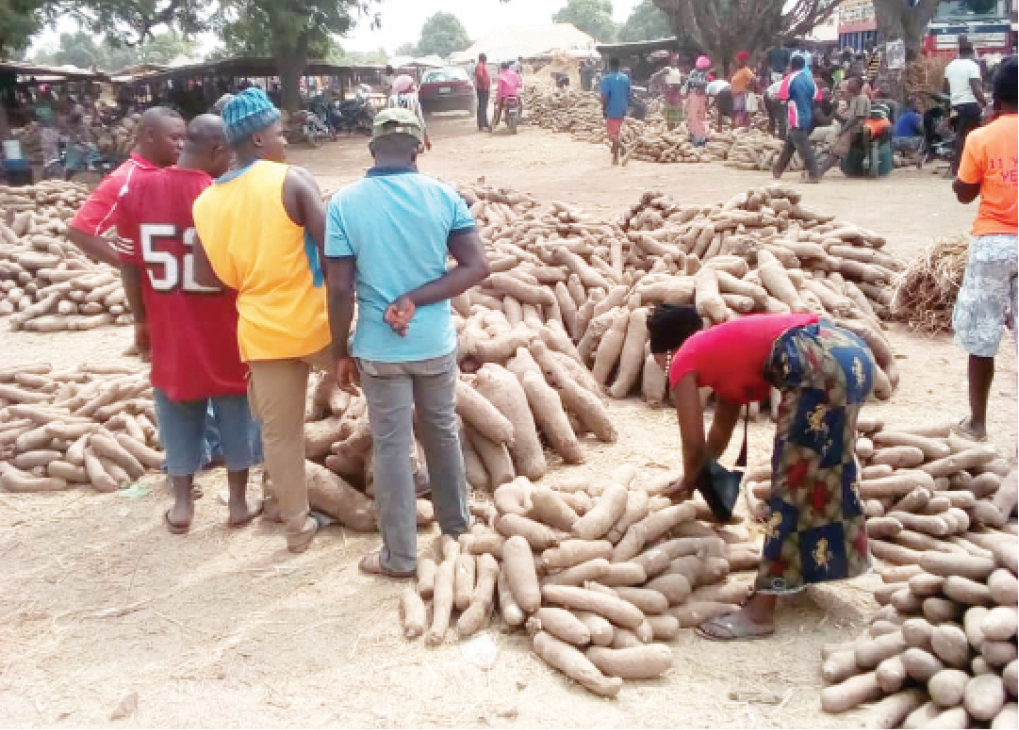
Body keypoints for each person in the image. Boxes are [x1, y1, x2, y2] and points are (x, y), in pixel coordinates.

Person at [323, 108, 490, 577]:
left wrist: (339, 350)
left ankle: (399, 556)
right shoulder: (443, 197)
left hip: (379, 349)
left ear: (372, 147)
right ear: (420, 145)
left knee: (392, 447)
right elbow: (477, 268)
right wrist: (416, 297)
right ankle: (457, 528)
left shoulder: (345, 203)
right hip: (434, 344)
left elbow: (338, 288)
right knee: (441, 430)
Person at [646, 306, 875, 640]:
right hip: (849, 353)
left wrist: (690, 476)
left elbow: (693, 445)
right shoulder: (721, 350)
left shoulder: (683, 357)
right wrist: (692, 480)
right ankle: (801, 574)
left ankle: (760, 612)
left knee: (792, 485)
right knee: (824, 475)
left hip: (816, 364)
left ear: (664, 351)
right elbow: (719, 436)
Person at [191, 87, 333, 554]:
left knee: (280, 435)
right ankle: (406, 486)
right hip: (319, 323)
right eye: (278, 131)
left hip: (262, 331)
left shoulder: (206, 202)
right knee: (386, 394)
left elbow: (206, 276)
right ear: (256, 140)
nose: (285, 138)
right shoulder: (291, 179)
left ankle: (298, 527)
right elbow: (334, 253)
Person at [117, 115, 262, 534]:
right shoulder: (225, 195)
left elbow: (129, 262)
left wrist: (140, 319)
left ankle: (182, 505)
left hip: (168, 326)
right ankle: (237, 502)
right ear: (219, 150)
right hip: (224, 326)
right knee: (237, 407)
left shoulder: (138, 189)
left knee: (176, 407)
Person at [950, 57, 1017, 443]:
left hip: (993, 243)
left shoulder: (981, 137)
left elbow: (965, 192)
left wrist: (962, 186)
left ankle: (978, 423)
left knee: (981, 336)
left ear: (994, 97)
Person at [67, 107, 185, 267]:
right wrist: (129, 267)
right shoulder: (123, 180)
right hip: (149, 287)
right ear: (150, 135)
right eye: (174, 138)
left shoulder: (183, 173)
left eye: (184, 139)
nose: (181, 145)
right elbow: (79, 231)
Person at [772, 54, 820, 183]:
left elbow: (781, 96)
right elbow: (817, 97)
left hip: (795, 116)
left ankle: (814, 174)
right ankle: (777, 170)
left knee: (804, 148)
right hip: (807, 116)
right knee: (790, 145)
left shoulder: (789, 79)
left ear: (791, 65)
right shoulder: (810, 80)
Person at [943, 38, 986, 175]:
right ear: (972, 52)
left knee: (960, 136)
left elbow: (945, 89)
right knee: (975, 135)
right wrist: (985, 103)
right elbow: (976, 89)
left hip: (955, 107)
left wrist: (948, 107)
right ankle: (963, 168)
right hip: (969, 105)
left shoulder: (950, 66)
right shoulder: (972, 66)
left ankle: (957, 167)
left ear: (959, 52)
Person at [820, 76, 870, 177]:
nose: (849, 85)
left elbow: (856, 118)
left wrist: (844, 130)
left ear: (858, 85)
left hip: (858, 128)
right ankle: (819, 170)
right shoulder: (854, 98)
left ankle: (820, 172)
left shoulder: (862, 98)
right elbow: (849, 118)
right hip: (852, 126)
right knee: (833, 147)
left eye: (851, 83)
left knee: (838, 149)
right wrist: (834, 112)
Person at [599, 57, 631, 164]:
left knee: (611, 134)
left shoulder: (606, 79)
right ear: (619, 66)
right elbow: (628, 94)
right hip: (622, 108)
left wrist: (604, 108)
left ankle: (624, 148)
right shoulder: (625, 78)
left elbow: (605, 96)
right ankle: (615, 158)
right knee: (617, 132)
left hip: (612, 109)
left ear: (609, 66)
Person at [388, 75, 432, 151]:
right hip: (412, 135)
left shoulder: (392, 99)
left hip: (397, 136)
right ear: (406, 86)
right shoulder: (413, 98)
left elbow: (389, 118)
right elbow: (420, 120)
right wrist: (426, 139)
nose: (413, 87)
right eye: (411, 85)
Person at [684, 56, 711, 146]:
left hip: (698, 96)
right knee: (695, 117)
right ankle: (697, 136)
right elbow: (694, 84)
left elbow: (689, 84)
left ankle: (699, 136)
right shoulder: (698, 74)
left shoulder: (702, 74)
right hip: (696, 96)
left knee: (698, 117)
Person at [492, 61, 523, 130]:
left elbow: (500, 89)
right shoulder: (514, 74)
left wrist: (498, 97)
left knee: (498, 108)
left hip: (504, 96)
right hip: (514, 95)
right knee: (520, 106)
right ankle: (519, 116)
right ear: (509, 67)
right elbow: (519, 84)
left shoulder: (501, 75)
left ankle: (496, 122)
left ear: (501, 68)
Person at [730, 51, 756, 128]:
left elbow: (753, 79)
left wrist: (747, 86)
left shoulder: (746, 70)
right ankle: (739, 126)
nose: (737, 62)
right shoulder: (739, 70)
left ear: (743, 61)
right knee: (737, 110)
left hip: (741, 94)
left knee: (741, 110)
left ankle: (742, 126)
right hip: (736, 94)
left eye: (738, 60)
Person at [474, 53, 491, 132]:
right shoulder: (480, 65)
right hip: (482, 89)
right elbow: (479, 76)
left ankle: (483, 123)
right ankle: (483, 124)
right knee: (482, 106)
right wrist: (483, 86)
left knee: (483, 106)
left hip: (483, 88)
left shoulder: (481, 65)